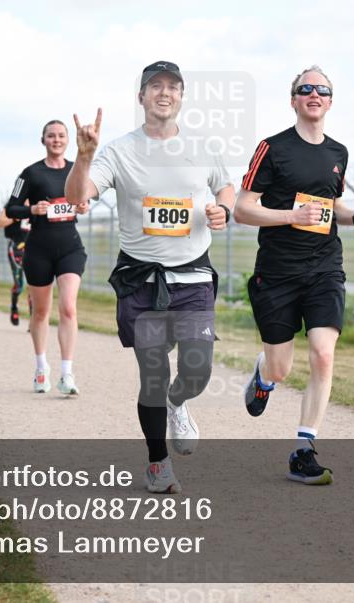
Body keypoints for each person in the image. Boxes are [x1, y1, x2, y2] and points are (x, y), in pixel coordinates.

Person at [65, 61, 235, 494]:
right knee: (153, 374)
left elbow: (225, 186)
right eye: (155, 86)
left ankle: (181, 401)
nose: (164, 93)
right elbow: (78, 196)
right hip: (142, 280)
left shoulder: (202, 147)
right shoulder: (119, 151)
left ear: (182, 97)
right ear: (140, 96)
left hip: (193, 276)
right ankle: (158, 463)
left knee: (198, 369)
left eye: (173, 87)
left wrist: (224, 210)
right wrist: (83, 158)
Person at [233, 65, 354, 485]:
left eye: (322, 90)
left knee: (323, 352)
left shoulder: (338, 153)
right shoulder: (272, 148)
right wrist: (290, 216)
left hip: (324, 268)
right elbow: (244, 209)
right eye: (306, 89)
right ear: (293, 98)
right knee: (282, 368)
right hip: (277, 272)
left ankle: (303, 448)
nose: (314, 94)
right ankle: (264, 376)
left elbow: (330, 209)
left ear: (331, 101)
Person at [5, 120, 89, 396]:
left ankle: (67, 373)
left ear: (68, 140)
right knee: (41, 312)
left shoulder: (76, 170)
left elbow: (84, 199)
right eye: (51, 136)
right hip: (38, 249)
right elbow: (11, 208)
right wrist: (34, 211)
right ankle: (42, 368)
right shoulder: (31, 173)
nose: (56, 140)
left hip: (70, 248)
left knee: (68, 307)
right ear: (43, 140)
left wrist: (84, 204)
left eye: (61, 136)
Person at [0, 205, 31, 326]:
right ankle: (14, 307)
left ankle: (34, 319)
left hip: (34, 248)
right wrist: (15, 217)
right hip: (16, 248)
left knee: (34, 286)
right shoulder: (13, 205)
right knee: (19, 285)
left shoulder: (38, 201)